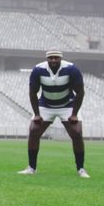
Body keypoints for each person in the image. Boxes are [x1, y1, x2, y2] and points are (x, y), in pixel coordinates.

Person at [18, 50, 89, 178]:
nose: (53, 60)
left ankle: (81, 168)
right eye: (50, 58)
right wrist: (37, 114)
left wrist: (74, 114)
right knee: (34, 131)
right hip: (46, 105)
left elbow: (80, 92)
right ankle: (31, 167)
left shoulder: (71, 69)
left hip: (67, 104)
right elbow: (32, 93)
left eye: (56, 58)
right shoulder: (38, 69)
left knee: (77, 133)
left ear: (60, 58)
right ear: (47, 59)